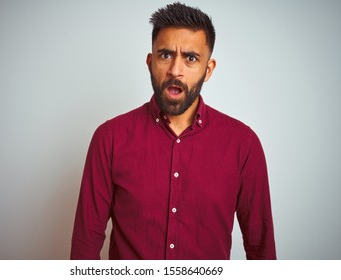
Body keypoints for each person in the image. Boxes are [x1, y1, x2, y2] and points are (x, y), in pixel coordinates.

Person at [71, 2, 276, 260]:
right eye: (165, 55)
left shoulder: (243, 145)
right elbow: (84, 246)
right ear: (150, 62)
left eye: (191, 58)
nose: (175, 70)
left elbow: (262, 250)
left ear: (208, 69)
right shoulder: (109, 139)